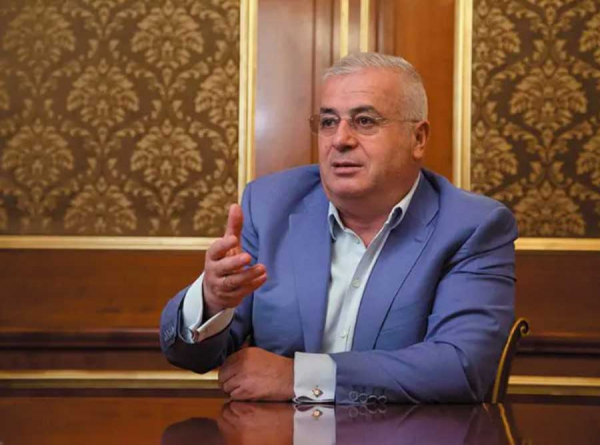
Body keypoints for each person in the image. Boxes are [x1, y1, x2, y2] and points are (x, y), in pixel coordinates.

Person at [160, 52, 517, 404]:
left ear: (418, 138)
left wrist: (301, 377)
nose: (340, 139)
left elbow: (462, 366)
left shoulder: (472, 226)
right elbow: (192, 356)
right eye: (329, 122)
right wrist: (212, 300)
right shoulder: (270, 206)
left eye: (365, 121)